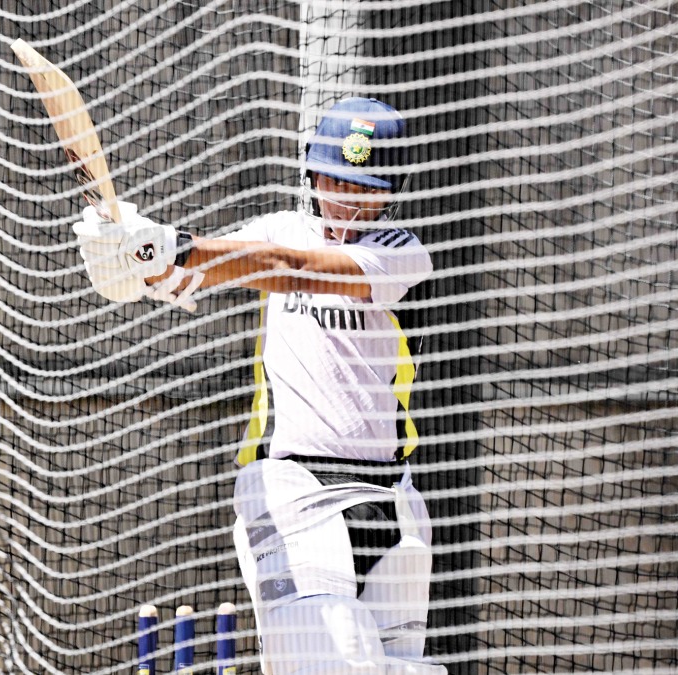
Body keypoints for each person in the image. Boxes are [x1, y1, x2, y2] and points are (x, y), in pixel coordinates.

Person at [74, 98, 444, 674]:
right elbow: (204, 268)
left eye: (366, 187)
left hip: (394, 504)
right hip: (293, 489)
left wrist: (176, 247)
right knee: (336, 665)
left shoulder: (402, 254)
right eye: (335, 179)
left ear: (390, 190)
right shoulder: (280, 228)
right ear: (313, 174)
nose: (347, 198)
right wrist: (133, 258)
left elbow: (293, 267)